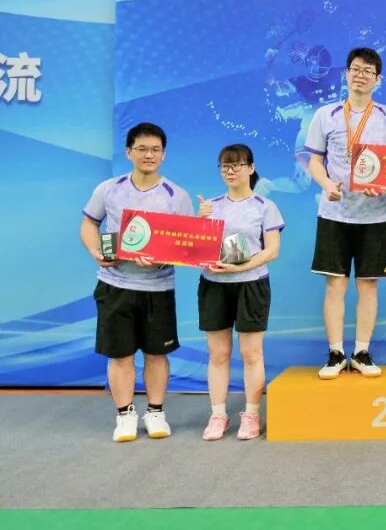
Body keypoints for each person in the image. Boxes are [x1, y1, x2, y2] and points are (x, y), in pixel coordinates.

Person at [79, 122, 194, 442]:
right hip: (114, 284)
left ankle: (155, 412)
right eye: (142, 148)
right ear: (129, 152)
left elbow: (187, 246)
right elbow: (88, 224)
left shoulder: (177, 196)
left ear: (164, 155)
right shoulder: (109, 189)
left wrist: (163, 259)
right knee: (121, 355)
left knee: (157, 354)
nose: (149, 155)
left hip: (158, 288)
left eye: (155, 149)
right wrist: (96, 252)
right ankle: (125, 415)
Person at [305, 47, 386, 379]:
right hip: (334, 214)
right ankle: (336, 353)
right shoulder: (326, 114)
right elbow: (314, 161)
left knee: (368, 284)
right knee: (335, 286)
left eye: (368, 71)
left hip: (374, 216)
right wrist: (326, 184)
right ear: (346, 74)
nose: (361, 75)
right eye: (356, 69)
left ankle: (361, 352)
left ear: (378, 80)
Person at [196, 144, 284, 441]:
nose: (230, 171)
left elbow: (272, 250)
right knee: (218, 353)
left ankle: (252, 414)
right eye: (225, 166)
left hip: (251, 284)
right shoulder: (210, 205)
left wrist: (242, 266)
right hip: (213, 285)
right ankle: (218, 414)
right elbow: (195, 248)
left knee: (251, 353)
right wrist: (200, 220)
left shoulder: (264, 206)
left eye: (237, 165)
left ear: (251, 168)